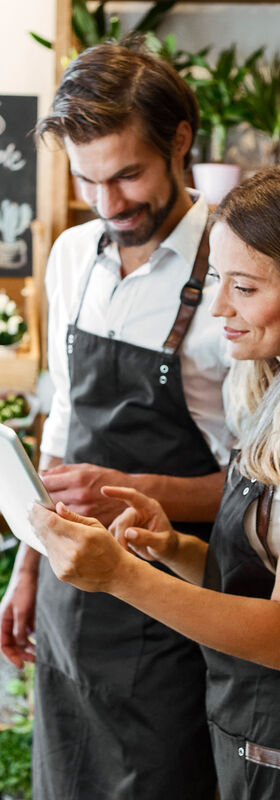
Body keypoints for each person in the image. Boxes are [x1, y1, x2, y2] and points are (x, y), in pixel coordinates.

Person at [0, 44, 233, 800]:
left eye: (128, 174)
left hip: (177, 602)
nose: (108, 203)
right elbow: (63, 416)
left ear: (180, 140)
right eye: (86, 178)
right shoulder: (72, 255)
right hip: (73, 599)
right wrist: (29, 566)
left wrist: (135, 485)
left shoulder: (234, 273)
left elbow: (259, 492)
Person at [30, 166, 280, 800]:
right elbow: (250, 579)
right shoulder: (263, 394)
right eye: (217, 279)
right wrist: (172, 549)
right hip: (239, 721)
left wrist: (121, 575)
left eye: (245, 287)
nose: (219, 306)